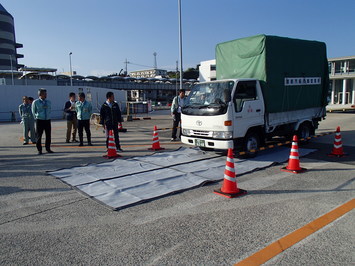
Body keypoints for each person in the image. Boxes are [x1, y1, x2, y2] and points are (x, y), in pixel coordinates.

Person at [32, 88, 53, 155]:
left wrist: (48, 116)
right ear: (40, 94)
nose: (46, 95)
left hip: (47, 120)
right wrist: (37, 117)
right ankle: (39, 149)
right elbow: (33, 111)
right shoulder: (36, 102)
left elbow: (50, 109)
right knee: (39, 135)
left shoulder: (48, 102)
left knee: (48, 135)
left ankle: (48, 148)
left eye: (46, 93)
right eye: (44, 93)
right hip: (40, 120)